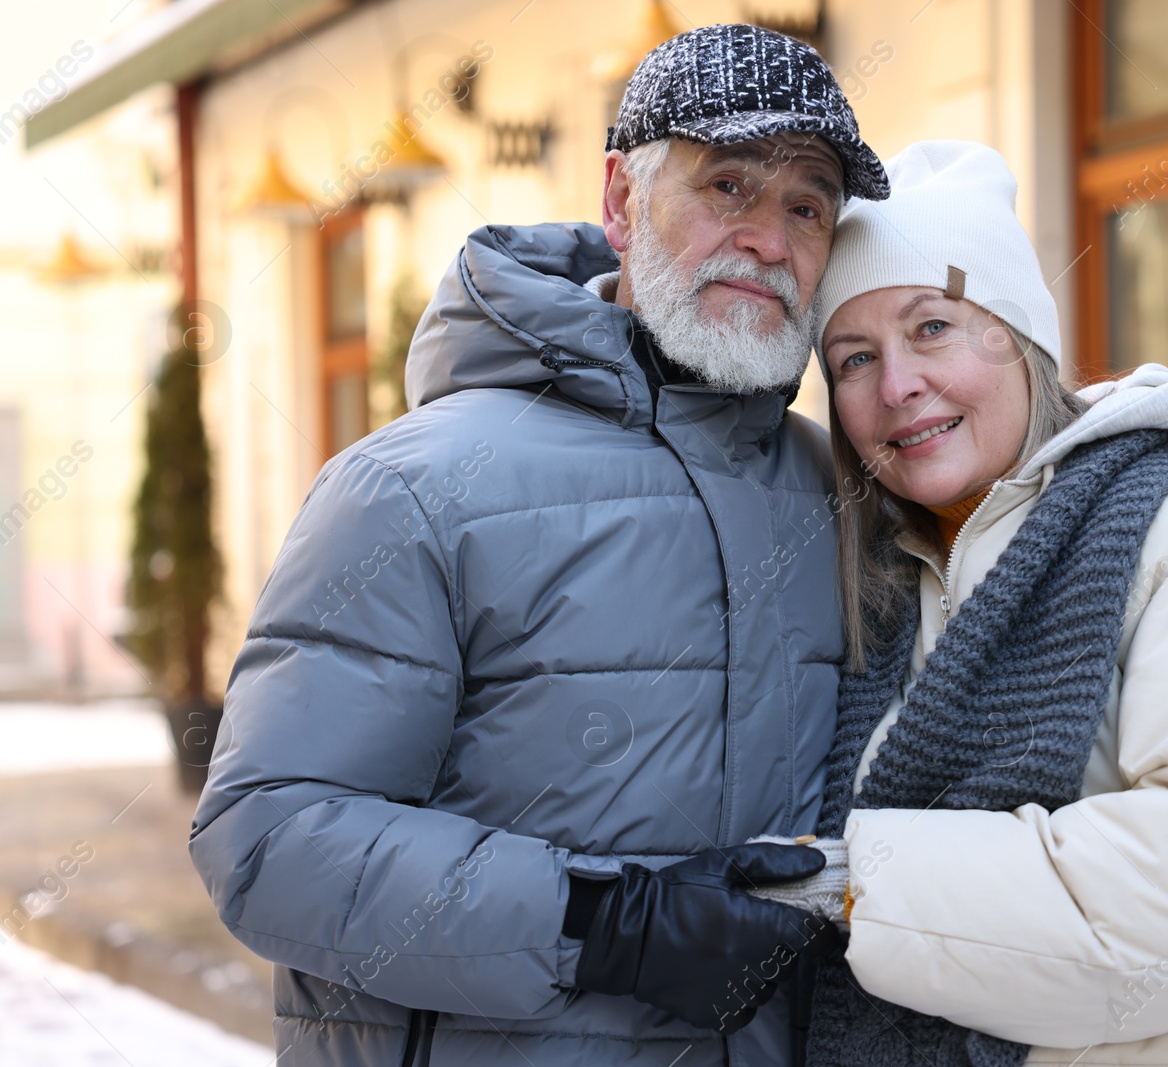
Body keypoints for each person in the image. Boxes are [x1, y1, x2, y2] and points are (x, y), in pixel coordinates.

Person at [188, 25, 889, 1066]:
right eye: (727, 187)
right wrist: (606, 922)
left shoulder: (838, 487)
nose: (769, 241)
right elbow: (267, 839)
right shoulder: (410, 489)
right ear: (619, 201)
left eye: (806, 205)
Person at [799, 141, 1168, 1065]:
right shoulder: (890, 587)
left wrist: (854, 887)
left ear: (1020, 337)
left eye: (932, 328)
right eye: (851, 358)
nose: (896, 386)